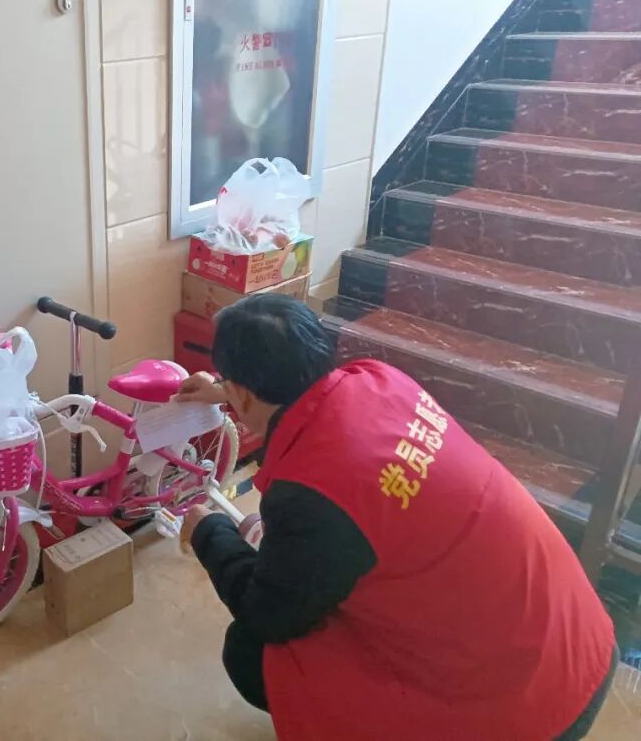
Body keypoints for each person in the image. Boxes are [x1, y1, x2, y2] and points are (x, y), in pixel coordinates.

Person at [175, 294, 618, 741]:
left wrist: (210, 531)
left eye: (230, 383)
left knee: (251, 652)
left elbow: (267, 611)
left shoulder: (313, 491)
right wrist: (227, 392)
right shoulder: (379, 380)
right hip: (579, 643)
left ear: (247, 392)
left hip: (532, 711)